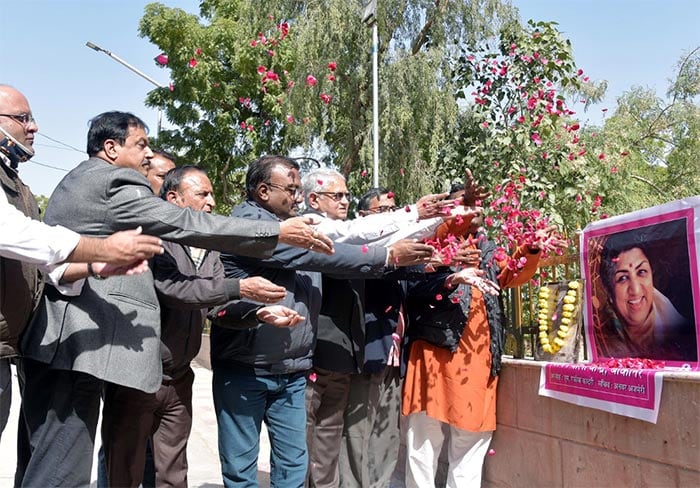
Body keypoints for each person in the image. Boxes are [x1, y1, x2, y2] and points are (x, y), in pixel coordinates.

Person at [16, 112, 332, 487]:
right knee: (62, 471)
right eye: (142, 145)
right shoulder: (114, 179)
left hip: (83, 349)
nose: (149, 155)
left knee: (58, 463)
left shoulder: (86, 179)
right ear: (111, 148)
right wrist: (275, 231)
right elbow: (185, 223)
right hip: (77, 347)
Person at [209, 155, 435, 488]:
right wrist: (386, 255)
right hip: (246, 368)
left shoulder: (296, 224)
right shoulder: (249, 224)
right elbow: (321, 253)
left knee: (293, 468)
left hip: (292, 370)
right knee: (241, 468)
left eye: (299, 189)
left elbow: (352, 235)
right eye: (291, 189)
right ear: (261, 191)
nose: (298, 197)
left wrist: (430, 218)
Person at [102, 165, 302, 488]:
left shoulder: (207, 247)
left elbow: (215, 305)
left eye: (212, 194)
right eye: (202, 194)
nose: (211, 202)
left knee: (173, 472)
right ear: (173, 199)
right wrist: (241, 288)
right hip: (138, 376)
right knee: (125, 471)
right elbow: (177, 290)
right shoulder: (153, 238)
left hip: (179, 379)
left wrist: (256, 315)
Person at [0, 86, 163, 442]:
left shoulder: (15, 182)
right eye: (22, 118)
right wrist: (102, 249)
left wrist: (92, 266)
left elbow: (37, 264)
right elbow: (10, 232)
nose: (34, 127)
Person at [400, 178, 563, 488]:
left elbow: (509, 275)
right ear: (450, 210)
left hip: (477, 357)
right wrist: (463, 211)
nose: (473, 208)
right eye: (463, 203)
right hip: (435, 350)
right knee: (423, 439)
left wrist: (531, 247)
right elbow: (420, 279)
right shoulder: (432, 241)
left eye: (475, 203)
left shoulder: (489, 248)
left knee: (471, 440)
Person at [597, 230, 694, 360]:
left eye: (641, 272)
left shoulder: (679, 332)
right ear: (609, 290)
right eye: (623, 278)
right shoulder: (602, 333)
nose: (635, 290)